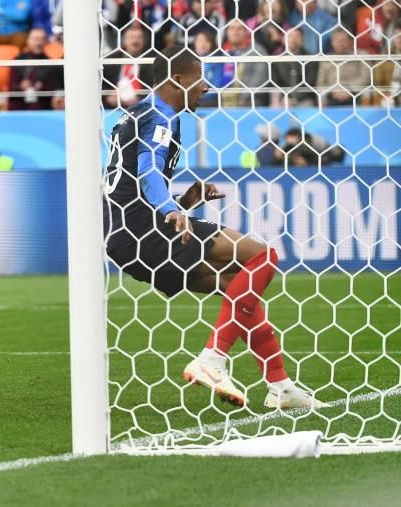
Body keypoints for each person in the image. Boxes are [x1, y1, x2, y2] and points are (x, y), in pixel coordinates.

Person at [103, 47, 325, 409]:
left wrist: (185, 202)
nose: (206, 86)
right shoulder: (161, 116)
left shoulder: (136, 114)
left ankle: (280, 386)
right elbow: (147, 167)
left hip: (124, 237)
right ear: (178, 79)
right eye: (199, 77)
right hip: (143, 229)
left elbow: (132, 180)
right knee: (262, 257)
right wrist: (168, 207)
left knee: (235, 288)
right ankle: (213, 359)